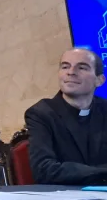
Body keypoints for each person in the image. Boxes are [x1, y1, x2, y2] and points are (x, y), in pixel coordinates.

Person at [25, 47, 107, 185]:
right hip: (66, 195)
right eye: (65, 67)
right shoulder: (41, 113)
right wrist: (102, 173)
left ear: (99, 80)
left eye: (82, 68)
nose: (71, 72)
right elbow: (43, 170)